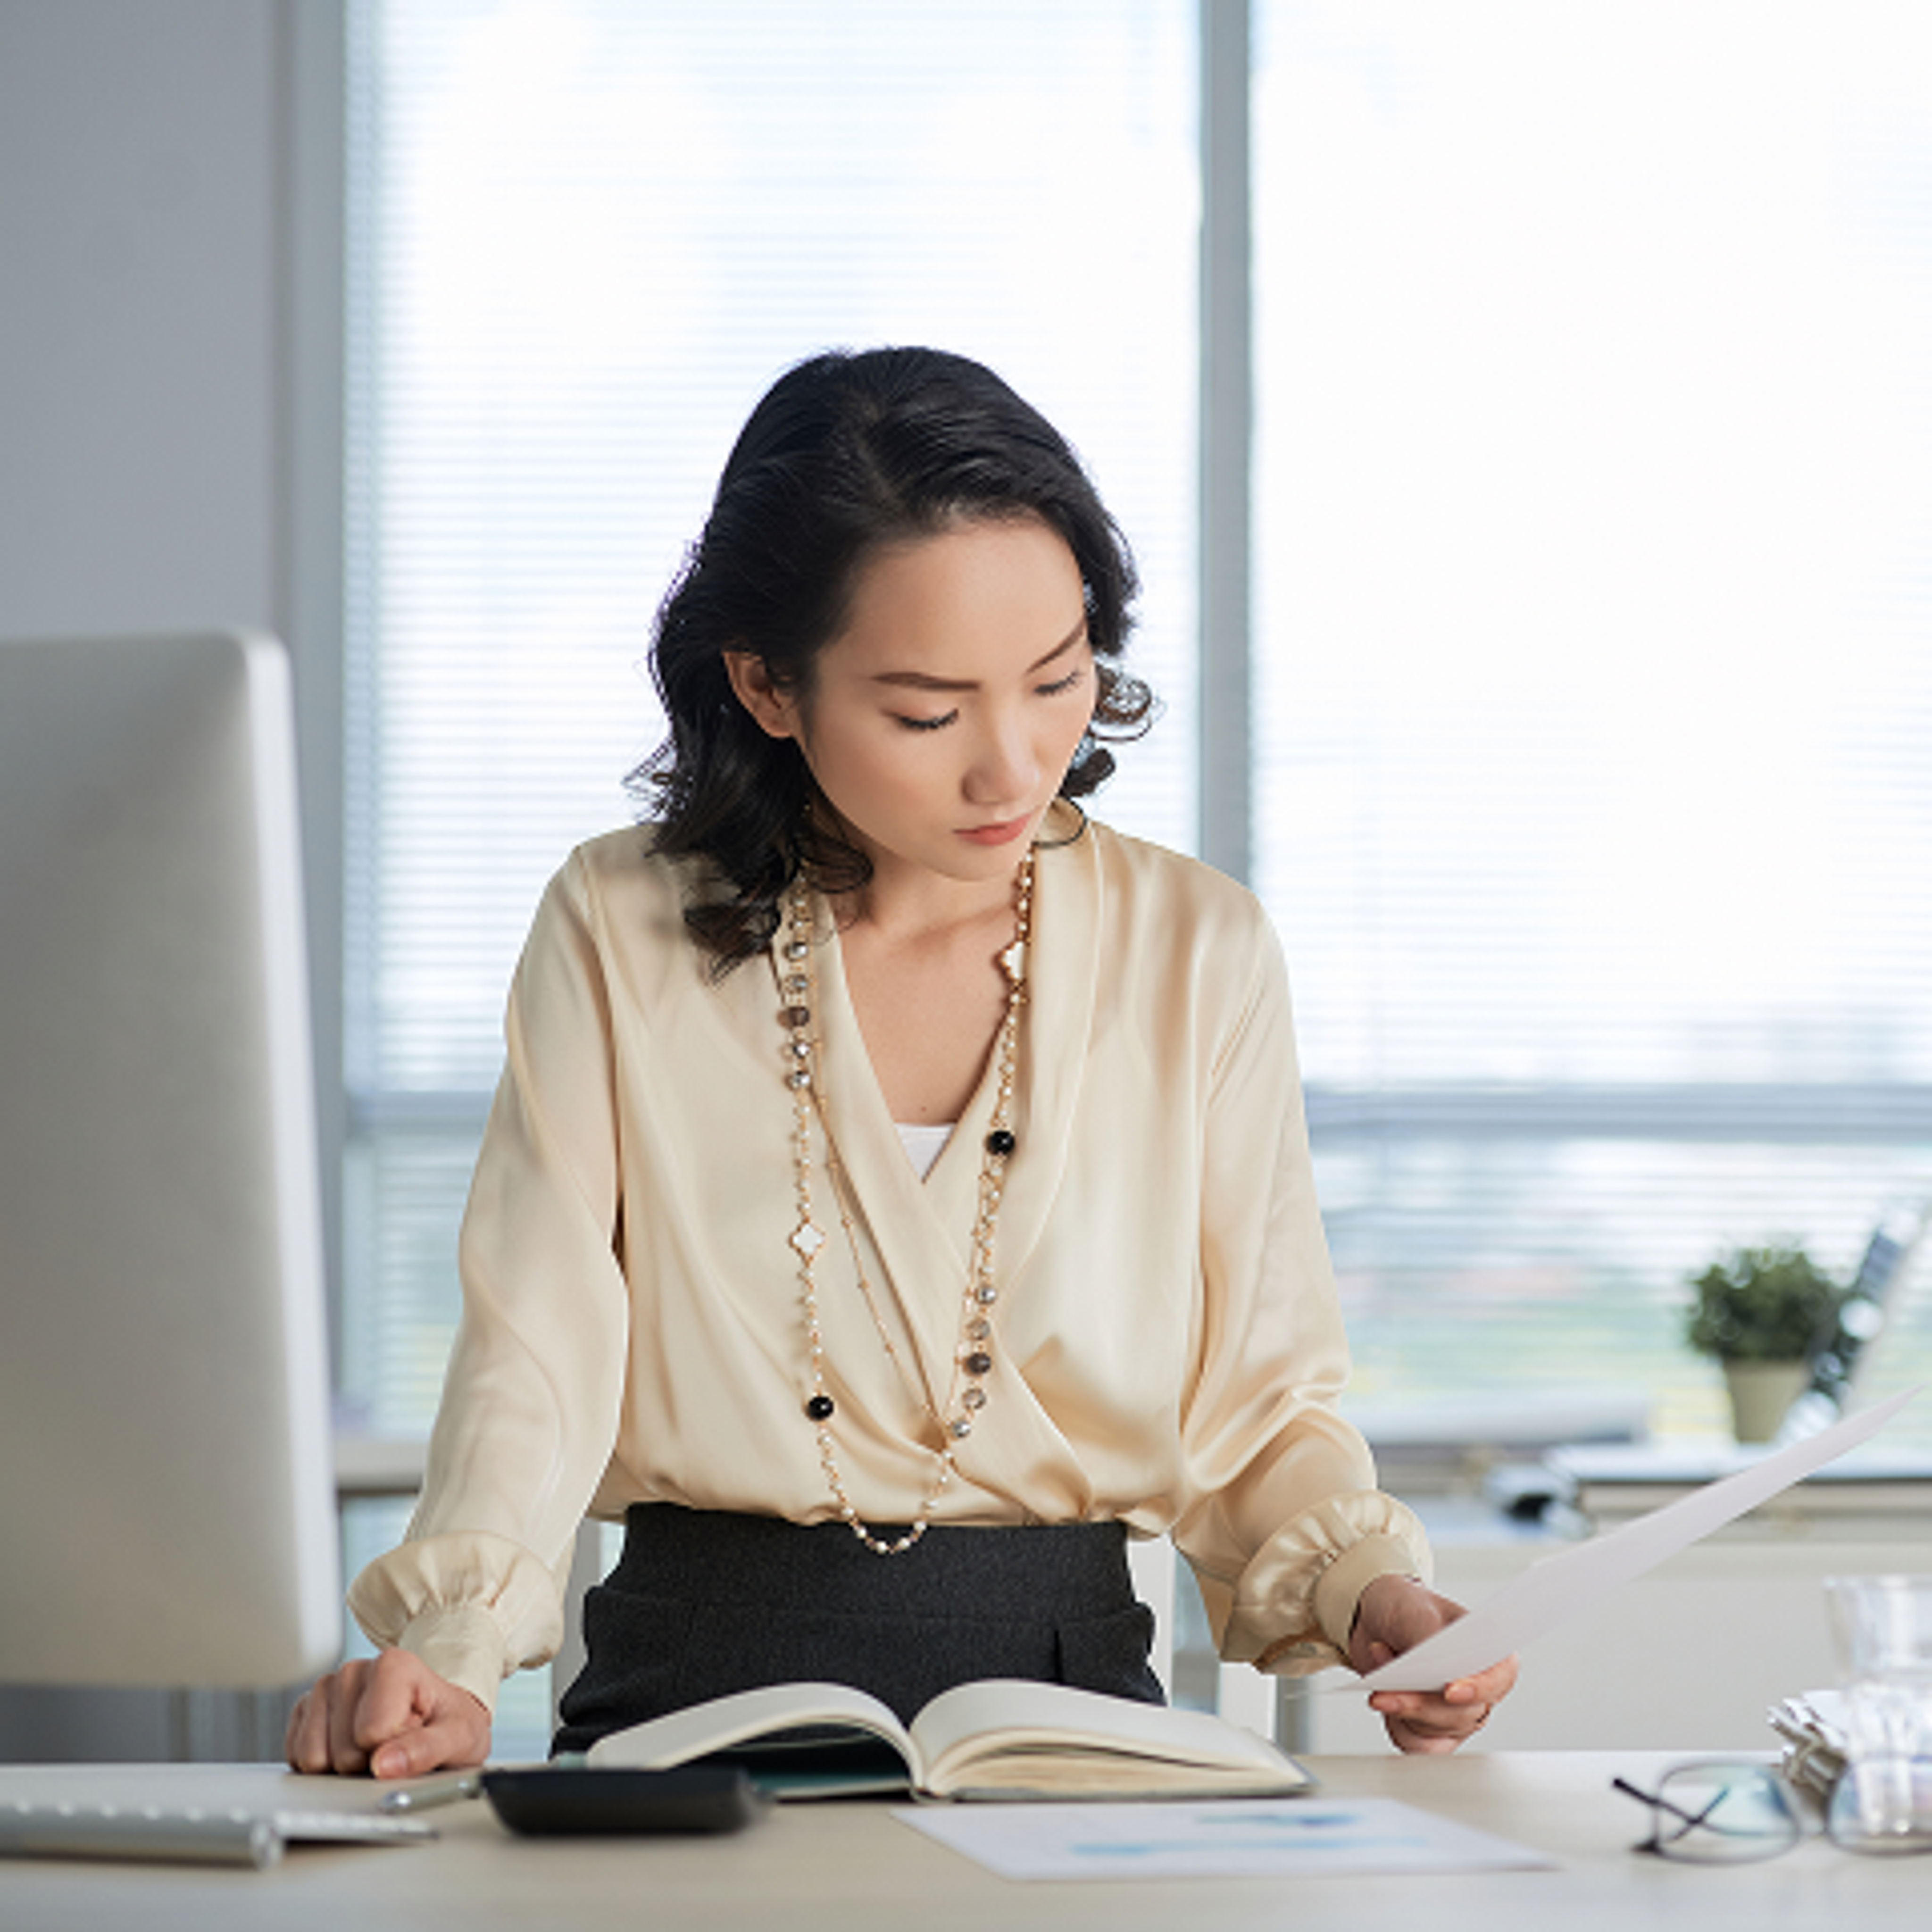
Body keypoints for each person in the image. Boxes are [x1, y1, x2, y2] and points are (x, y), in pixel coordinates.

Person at [286, 347, 1517, 1780]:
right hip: (688, 1689)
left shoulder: (1200, 949)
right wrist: (443, 1649)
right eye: (929, 713)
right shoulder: (618, 926)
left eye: (1059, 681)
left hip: (1069, 1709)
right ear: (765, 683)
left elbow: (1258, 1407)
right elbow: (538, 1352)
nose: (1013, 767)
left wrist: (1373, 1596)